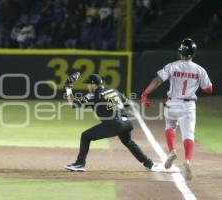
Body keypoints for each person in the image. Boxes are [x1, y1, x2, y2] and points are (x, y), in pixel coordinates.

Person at [141, 38, 213, 180]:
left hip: (172, 103)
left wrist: (145, 93)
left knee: (170, 127)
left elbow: (158, 80)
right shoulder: (200, 70)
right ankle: (186, 161)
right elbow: (209, 89)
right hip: (188, 106)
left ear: (180, 51)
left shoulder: (173, 66)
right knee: (188, 135)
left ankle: (172, 151)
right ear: (193, 53)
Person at [64, 73, 159, 172]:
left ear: (93, 84)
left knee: (85, 136)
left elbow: (73, 105)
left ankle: (80, 164)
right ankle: (149, 164)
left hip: (114, 124)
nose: (87, 86)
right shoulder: (113, 90)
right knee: (128, 142)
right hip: (126, 123)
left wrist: (68, 87)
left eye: (88, 84)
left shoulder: (93, 95)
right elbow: (126, 103)